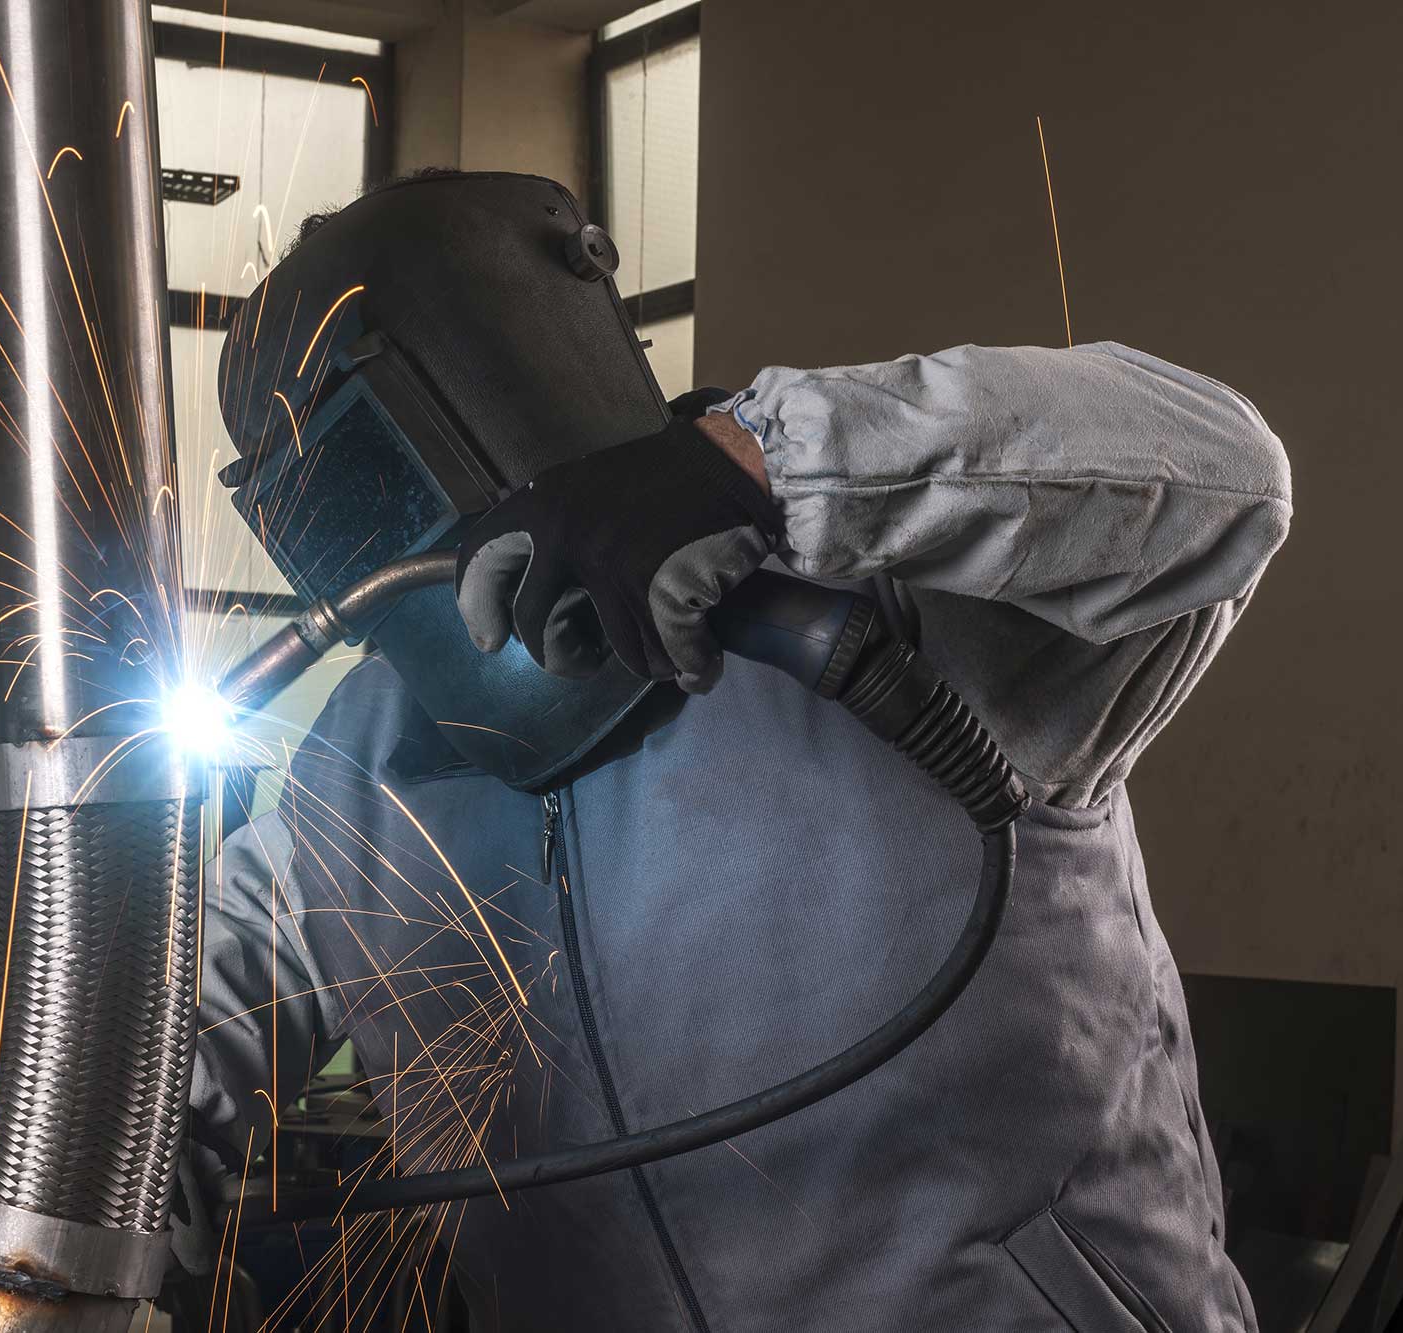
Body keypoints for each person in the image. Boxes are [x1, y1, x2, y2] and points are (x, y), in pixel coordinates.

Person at [178, 174, 1290, 1332]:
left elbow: (1226, 476)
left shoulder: (904, 606)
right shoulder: (353, 781)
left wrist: (753, 467)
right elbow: (178, 1038)